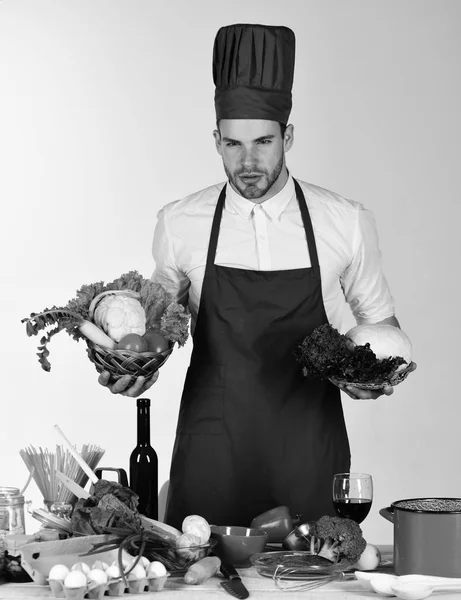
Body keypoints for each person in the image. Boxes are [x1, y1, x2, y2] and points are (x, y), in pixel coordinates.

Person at [99, 23, 415, 529]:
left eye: (264, 142)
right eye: (232, 144)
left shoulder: (344, 221)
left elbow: (381, 324)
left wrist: (376, 376)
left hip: (308, 454)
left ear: (287, 135)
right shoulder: (180, 222)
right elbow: (158, 325)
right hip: (212, 453)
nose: (248, 162)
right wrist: (133, 366)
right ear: (217, 140)